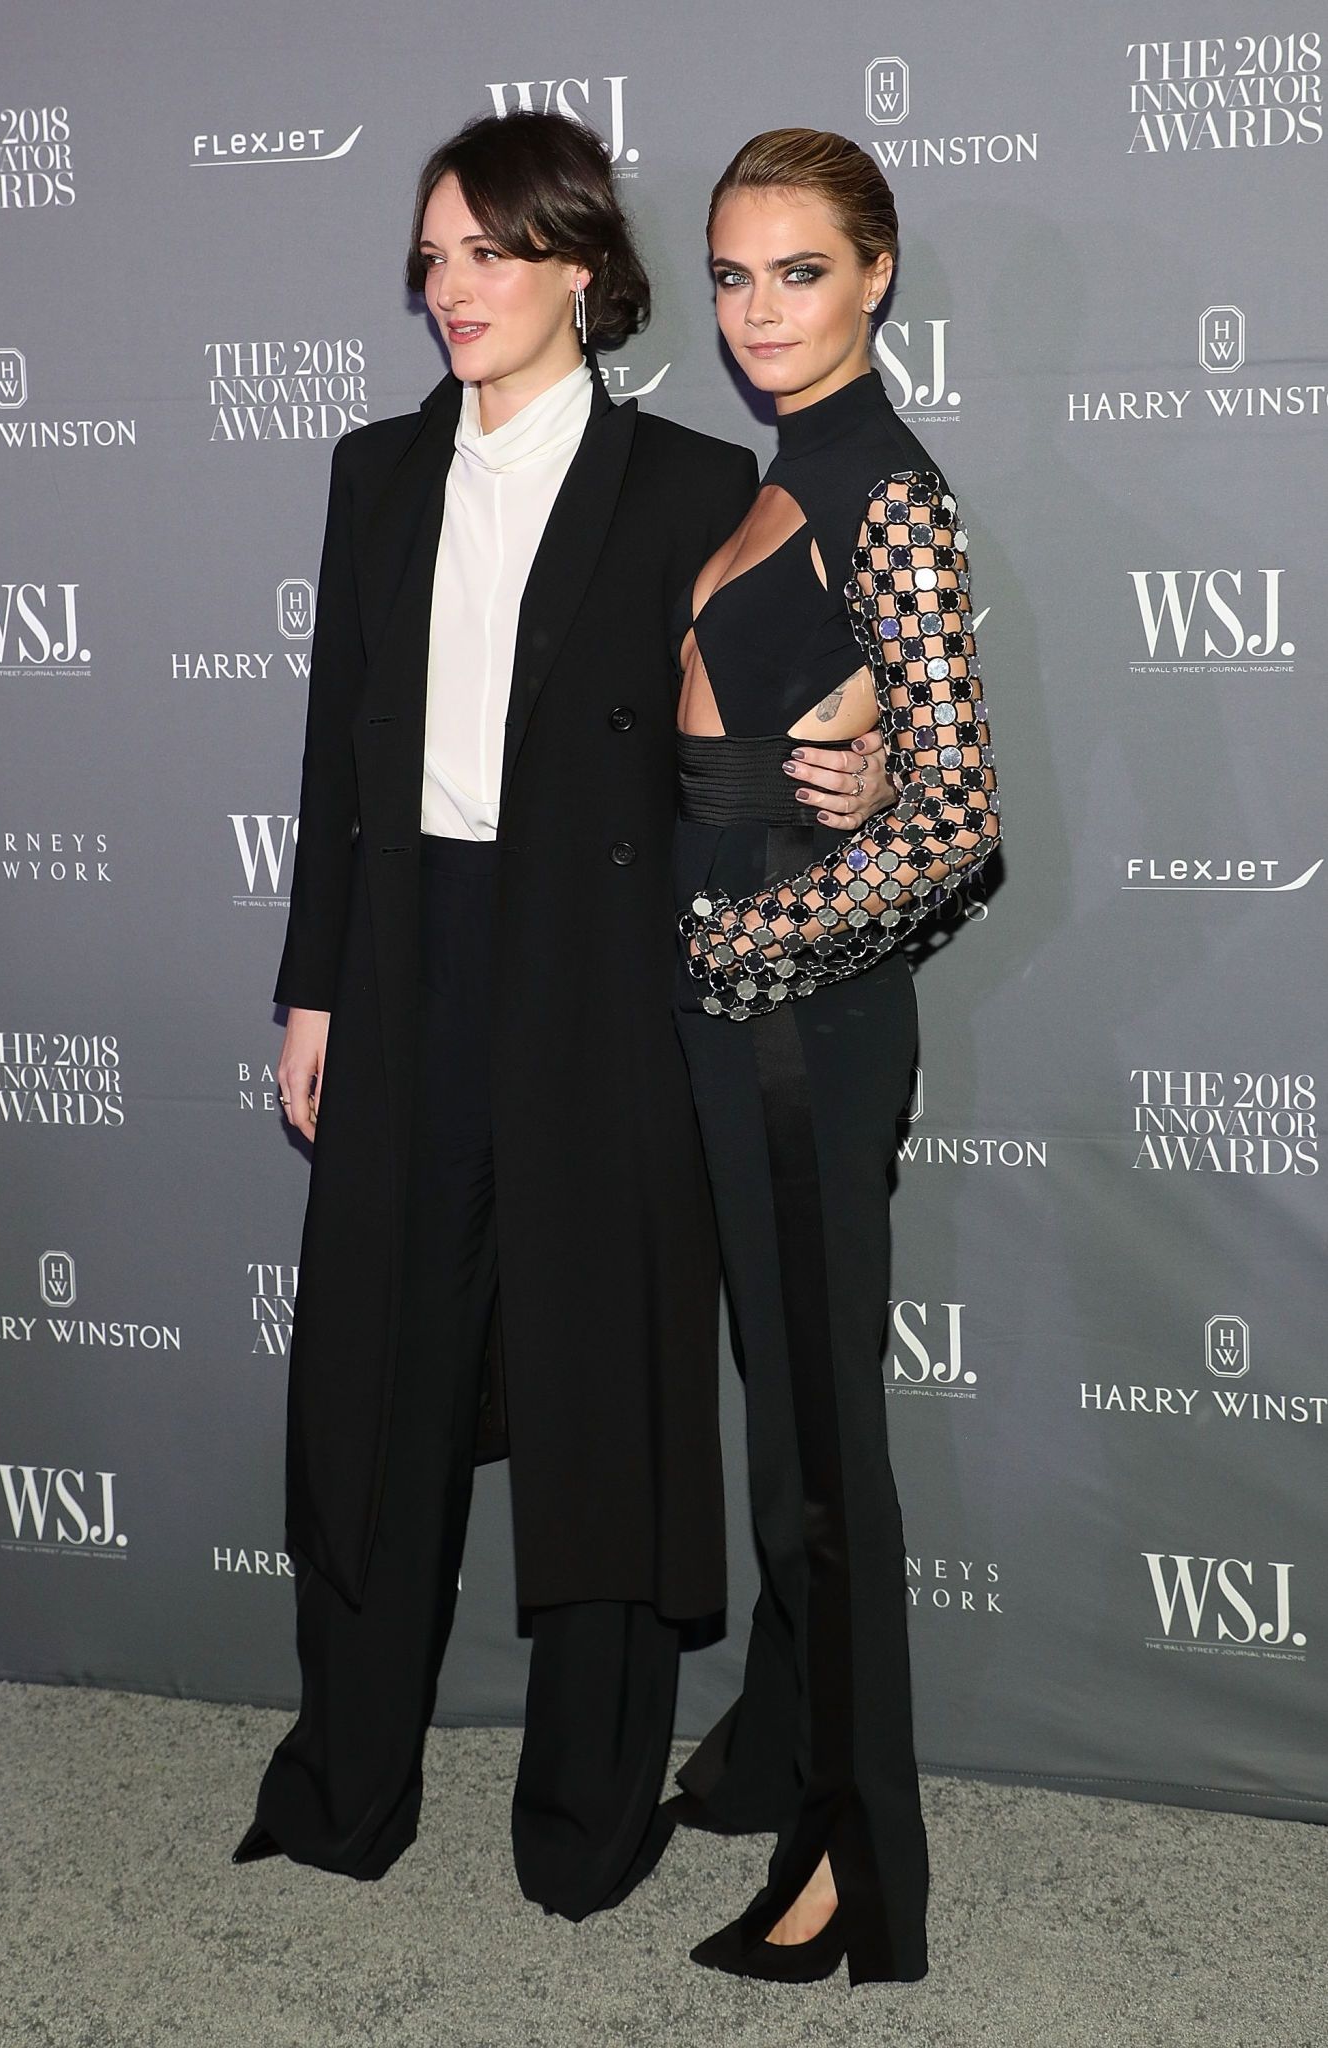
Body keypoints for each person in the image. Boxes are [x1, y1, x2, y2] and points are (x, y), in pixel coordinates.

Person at [231, 109, 889, 1922]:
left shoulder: (689, 485)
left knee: (606, 1390)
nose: (454, 287)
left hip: (604, 984)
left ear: (582, 271)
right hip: (404, 966)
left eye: (492, 253)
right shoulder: (375, 472)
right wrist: (312, 984)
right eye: (433, 257)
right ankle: (343, 1785)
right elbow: (335, 754)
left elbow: (790, 714)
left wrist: (860, 769)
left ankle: (587, 1822)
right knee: (373, 1379)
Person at [667, 129, 1002, 1983]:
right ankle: (775, 1744)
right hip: (741, 1025)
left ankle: (859, 1869)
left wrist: (741, 946)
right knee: (781, 1417)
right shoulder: (789, 467)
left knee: (817, 1455)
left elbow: (955, 820)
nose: (758, 311)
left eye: (797, 272)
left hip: (796, 1024)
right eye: (731, 276)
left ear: (876, 273)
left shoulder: (885, 490)